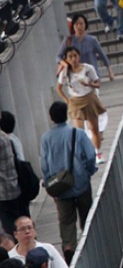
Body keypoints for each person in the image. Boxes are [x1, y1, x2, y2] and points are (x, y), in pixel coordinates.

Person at [40, 104, 94, 263]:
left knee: (66, 221)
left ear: (51, 117)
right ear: (67, 114)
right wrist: (88, 172)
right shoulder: (78, 133)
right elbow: (90, 156)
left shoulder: (46, 138)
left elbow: (44, 165)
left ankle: (69, 247)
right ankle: (90, 244)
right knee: (87, 217)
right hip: (81, 183)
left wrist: (51, 185)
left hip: (61, 189)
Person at [55, 48, 106, 163]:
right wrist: (66, 100)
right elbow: (59, 87)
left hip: (89, 98)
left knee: (94, 128)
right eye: (70, 57)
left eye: (75, 56)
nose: (73, 59)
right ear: (66, 59)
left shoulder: (88, 68)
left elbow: (98, 83)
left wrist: (89, 83)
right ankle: (85, 154)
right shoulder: (65, 71)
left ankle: (97, 152)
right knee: (79, 131)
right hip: (75, 101)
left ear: (79, 56)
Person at [56, 14, 114, 82]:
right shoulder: (68, 40)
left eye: (81, 24)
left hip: (92, 77)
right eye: (76, 24)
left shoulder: (92, 40)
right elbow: (58, 56)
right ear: (73, 26)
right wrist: (65, 64)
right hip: (75, 78)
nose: (79, 26)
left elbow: (103, 56)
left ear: (85, 25)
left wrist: (110, 72)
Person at [0, 131, 22, 235]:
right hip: (12, 185)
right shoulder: (5, 136)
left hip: (3, 191)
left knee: (10, 228)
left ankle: (17, 249)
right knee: (17, 222)